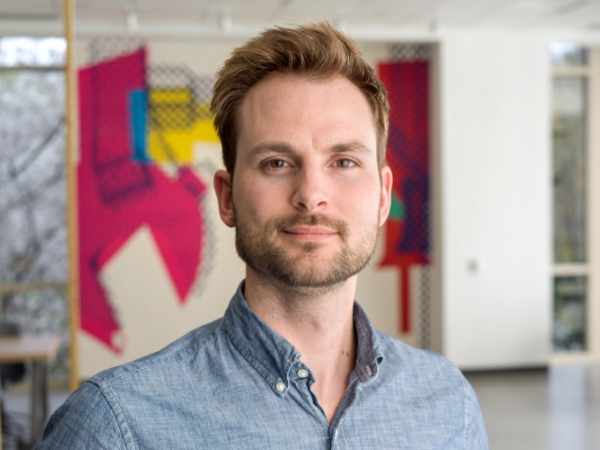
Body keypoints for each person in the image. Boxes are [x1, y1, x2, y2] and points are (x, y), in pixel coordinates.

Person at [38, 22, 488, 449]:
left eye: (344, 162)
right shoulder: (115, 424)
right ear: (228, 197)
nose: (312, 195)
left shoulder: (450, 405)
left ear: (383, 196)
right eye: (277, 162)